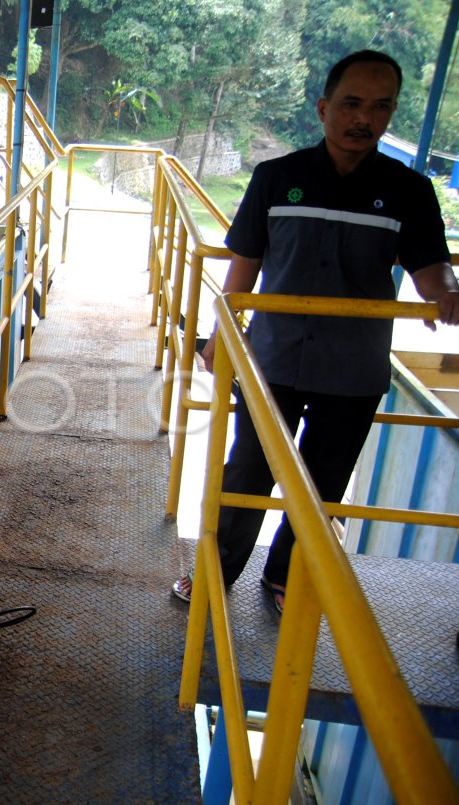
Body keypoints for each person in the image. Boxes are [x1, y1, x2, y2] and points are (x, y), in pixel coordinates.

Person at [171, 49, 459, 613]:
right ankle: (217, 570)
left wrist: (446, 291)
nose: (364, 119)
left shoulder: (409, 191)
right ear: (325, 108)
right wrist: (219, 335)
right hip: (271, 360)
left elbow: (431, 269)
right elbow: (244, 265)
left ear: (390, 114)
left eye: (380, 107)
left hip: (353, 370)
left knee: (323, 484)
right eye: (351, 104)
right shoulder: (278, 178)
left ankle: (285, 576)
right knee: (248, 471)